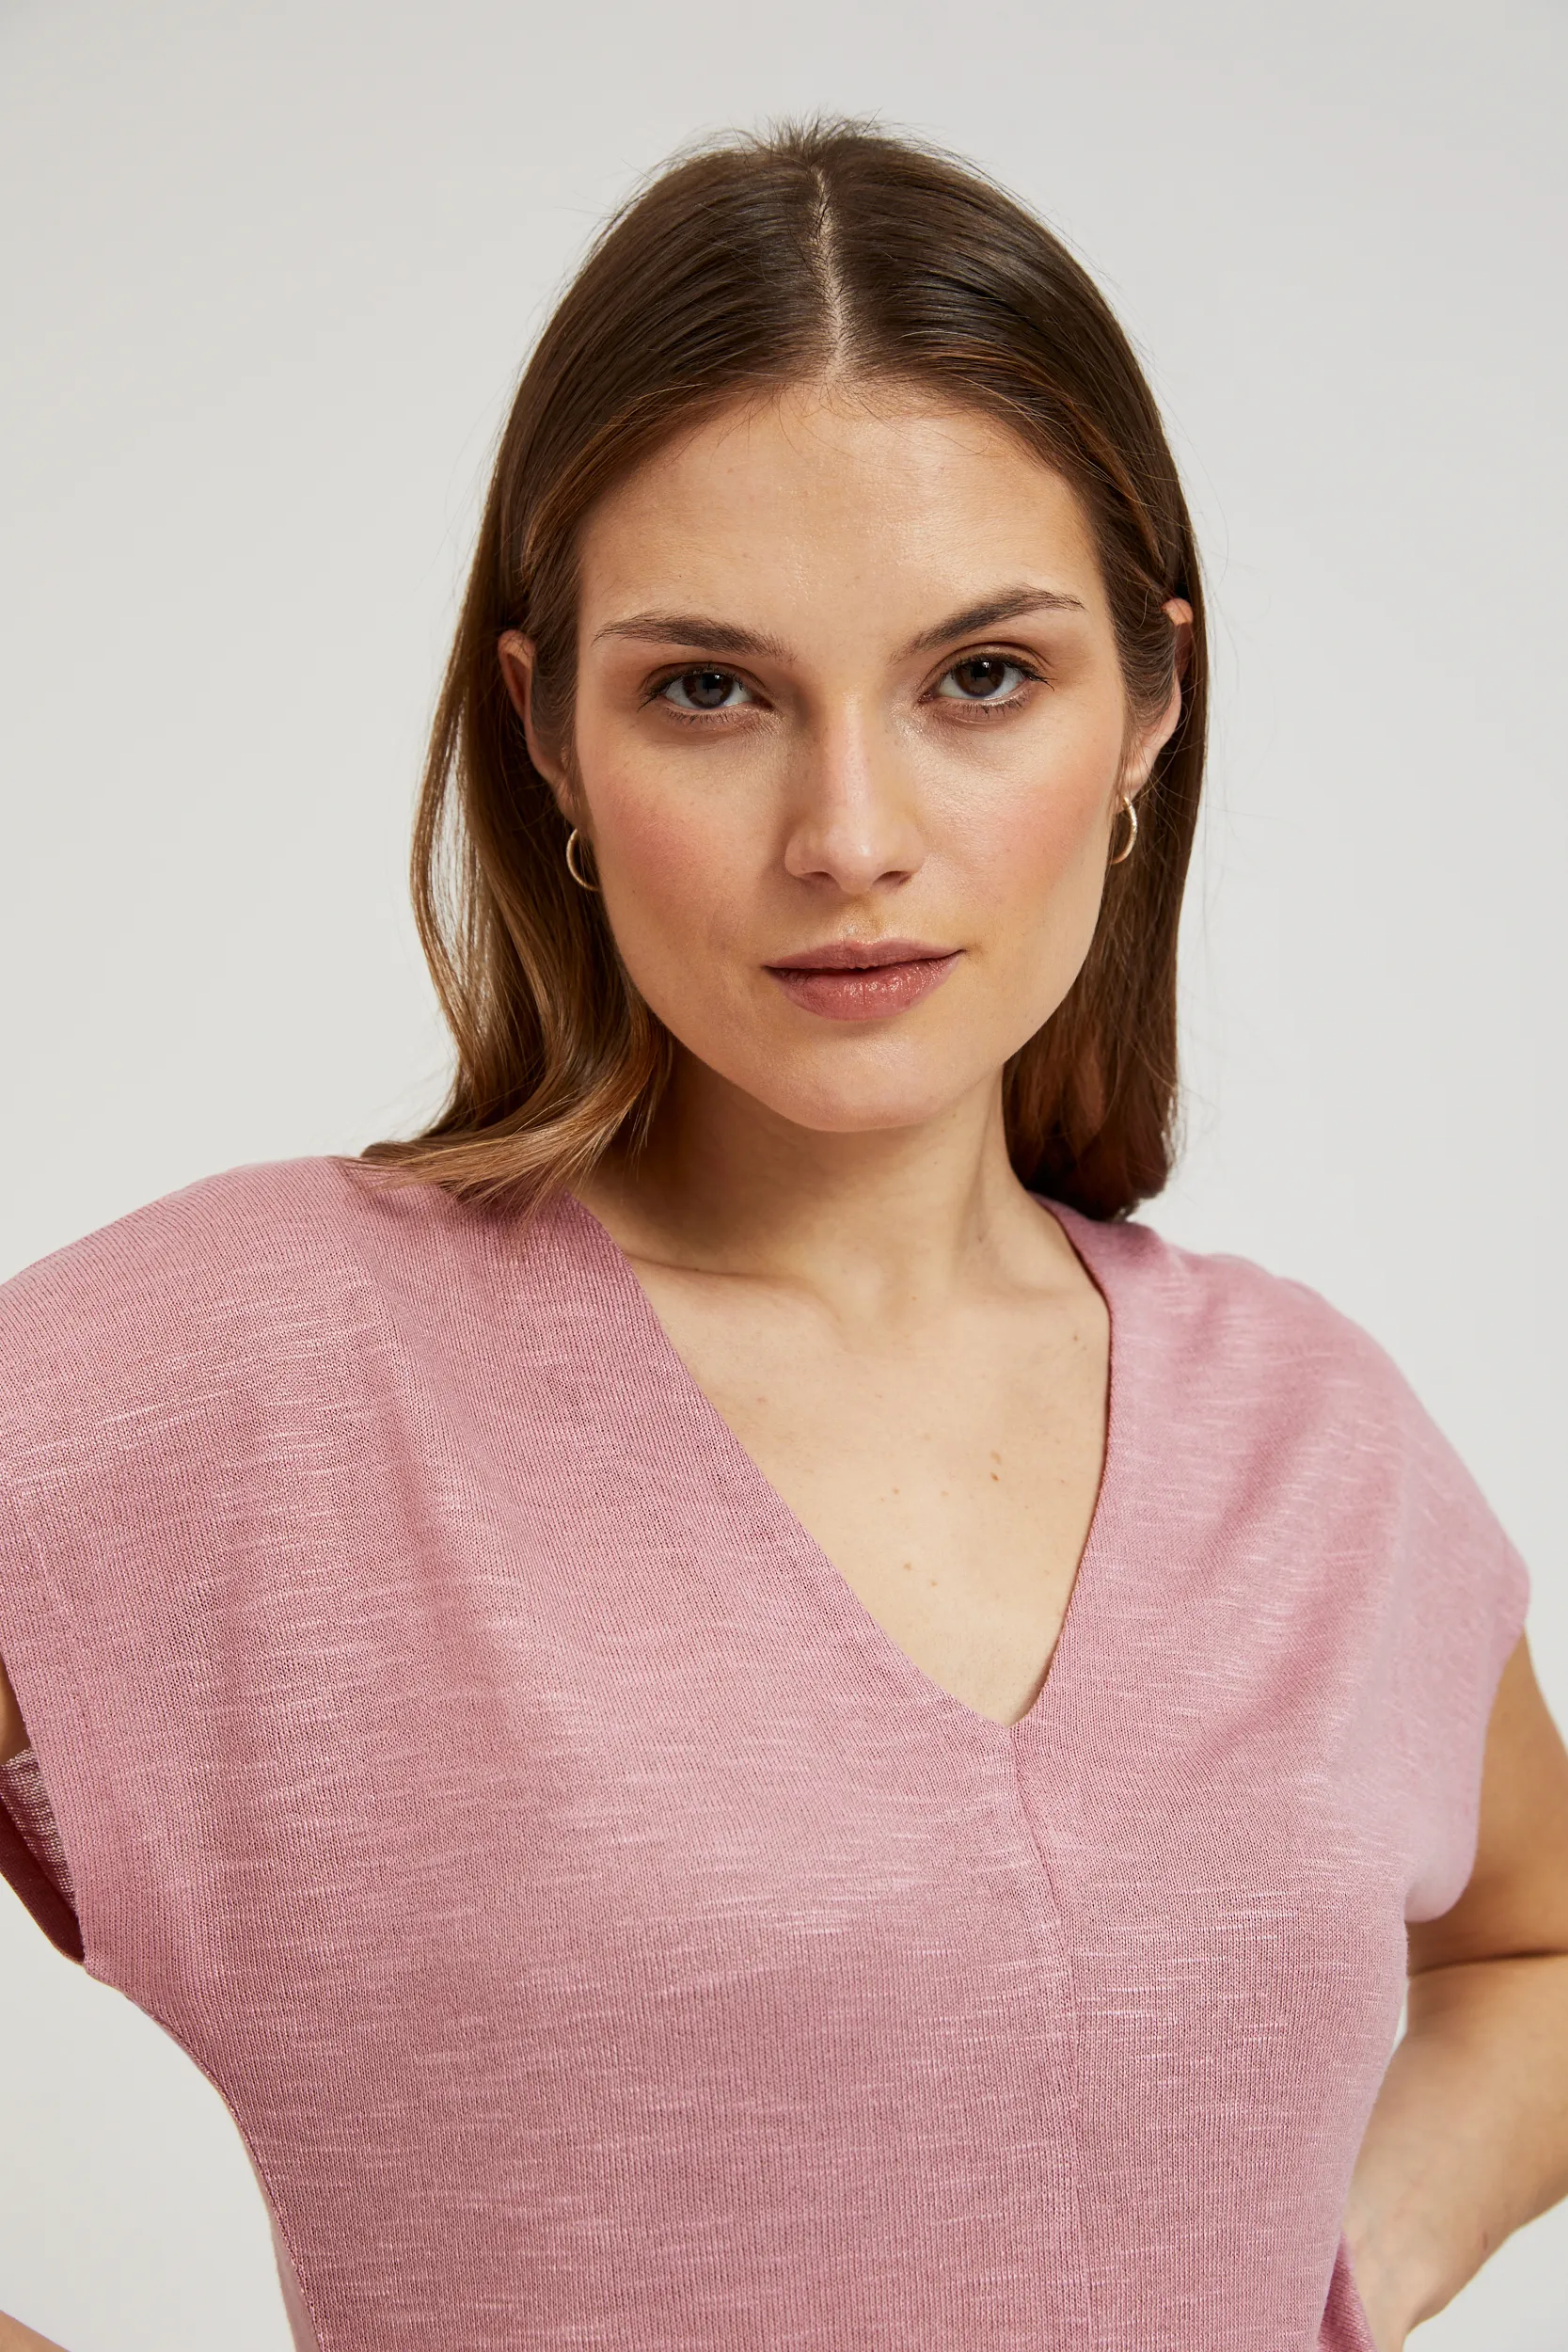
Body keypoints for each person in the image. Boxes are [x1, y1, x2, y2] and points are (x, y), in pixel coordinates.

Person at [0, 119, 1564, 2352]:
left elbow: (1532, 1945)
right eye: (708, 690)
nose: (848, 834)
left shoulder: (1307, 1436)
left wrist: (1312, 2290)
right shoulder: (258, 1370)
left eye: (979, 677)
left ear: (1149, 703)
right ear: (545, 730)